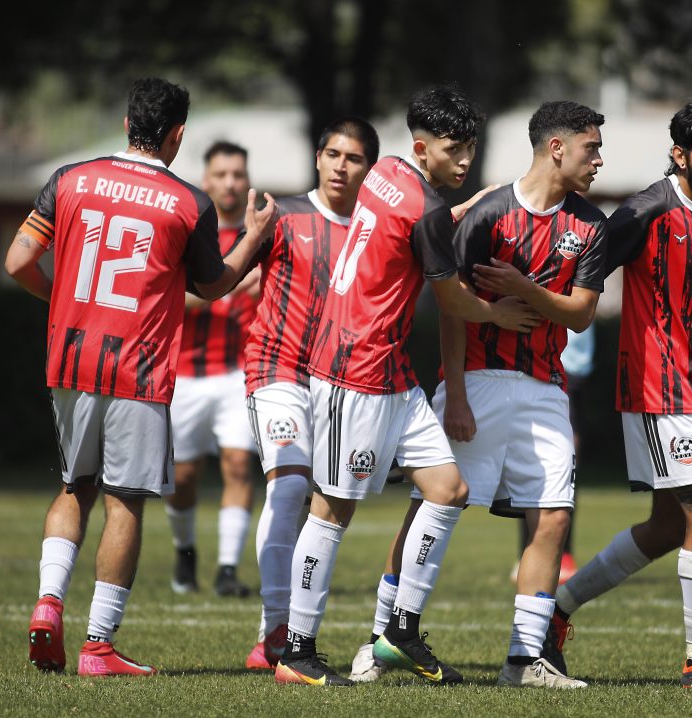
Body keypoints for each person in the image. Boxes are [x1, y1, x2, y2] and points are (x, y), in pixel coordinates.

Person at [6, 77, 276, 677]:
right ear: (177, 135)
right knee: (125, 500)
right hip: (138, 367)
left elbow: (18, 261)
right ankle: (98, 646)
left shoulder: (69, 179)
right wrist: (255, 237)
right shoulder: (187, 202)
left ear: (128, 124)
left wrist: (62, 305)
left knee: (74, 487)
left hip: (72, 358)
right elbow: (214, 285)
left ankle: (48, 603)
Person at [273, 85, 541, 687]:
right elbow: (450, 298)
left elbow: (409, 229)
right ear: (423, 148)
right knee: (332, 508)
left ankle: (399, 632)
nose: (464, 159)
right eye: (453, 149)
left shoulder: (387, 171)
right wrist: (497, 314)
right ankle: (296, 650)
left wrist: (456, 211)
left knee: (448, 490)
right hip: (354, 369)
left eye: (470, 147)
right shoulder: (425, 207)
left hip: (391, 371)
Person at [352, 101, 608, 690]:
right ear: (557, 148)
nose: (599, 160)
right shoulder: (490, 213)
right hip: (478, 381)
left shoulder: (592, 225)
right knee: (431, 509)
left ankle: (524, 660)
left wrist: (523, 288)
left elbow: (580, 315)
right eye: (591, 148)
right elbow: (452, 309)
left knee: (553, 515)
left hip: (546, 388)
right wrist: (458, 394)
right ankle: (379, 639)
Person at [549, 97, 692, 689]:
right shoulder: (646, 211)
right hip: (656, 387)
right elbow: (581, 272)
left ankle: (555, 613)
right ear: (679, 153)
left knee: (670, 527)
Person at [241, 116, 380, 671]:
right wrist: (249, 239)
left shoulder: (375, 231)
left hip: (337, 384)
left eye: (354, 158)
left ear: (369, 169)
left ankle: (273, 632)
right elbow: (222, 278)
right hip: (275, 370)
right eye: (333, 155)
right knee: (290, 486)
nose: (341, 166)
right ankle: (279, 630)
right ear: (318, 158)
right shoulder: (283, 217)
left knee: (315, 506)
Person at [166, 141, 260, 598]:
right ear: (206, 181)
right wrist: (231, 284)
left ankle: (227, 570)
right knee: (182, 478)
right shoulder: (189, 233)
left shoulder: (258, 237)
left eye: (237, 174)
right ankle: (185, 554)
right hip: (184, 373)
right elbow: (171, 299)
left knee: (239, 465)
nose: (230, 183)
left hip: (240, 373)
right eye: (221, 174)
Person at [509, 323, 595, 586]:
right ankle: (533, 551)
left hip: (573, 363)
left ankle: (557, 553)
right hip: (546, 357)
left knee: (564, 458)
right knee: (540, 457)